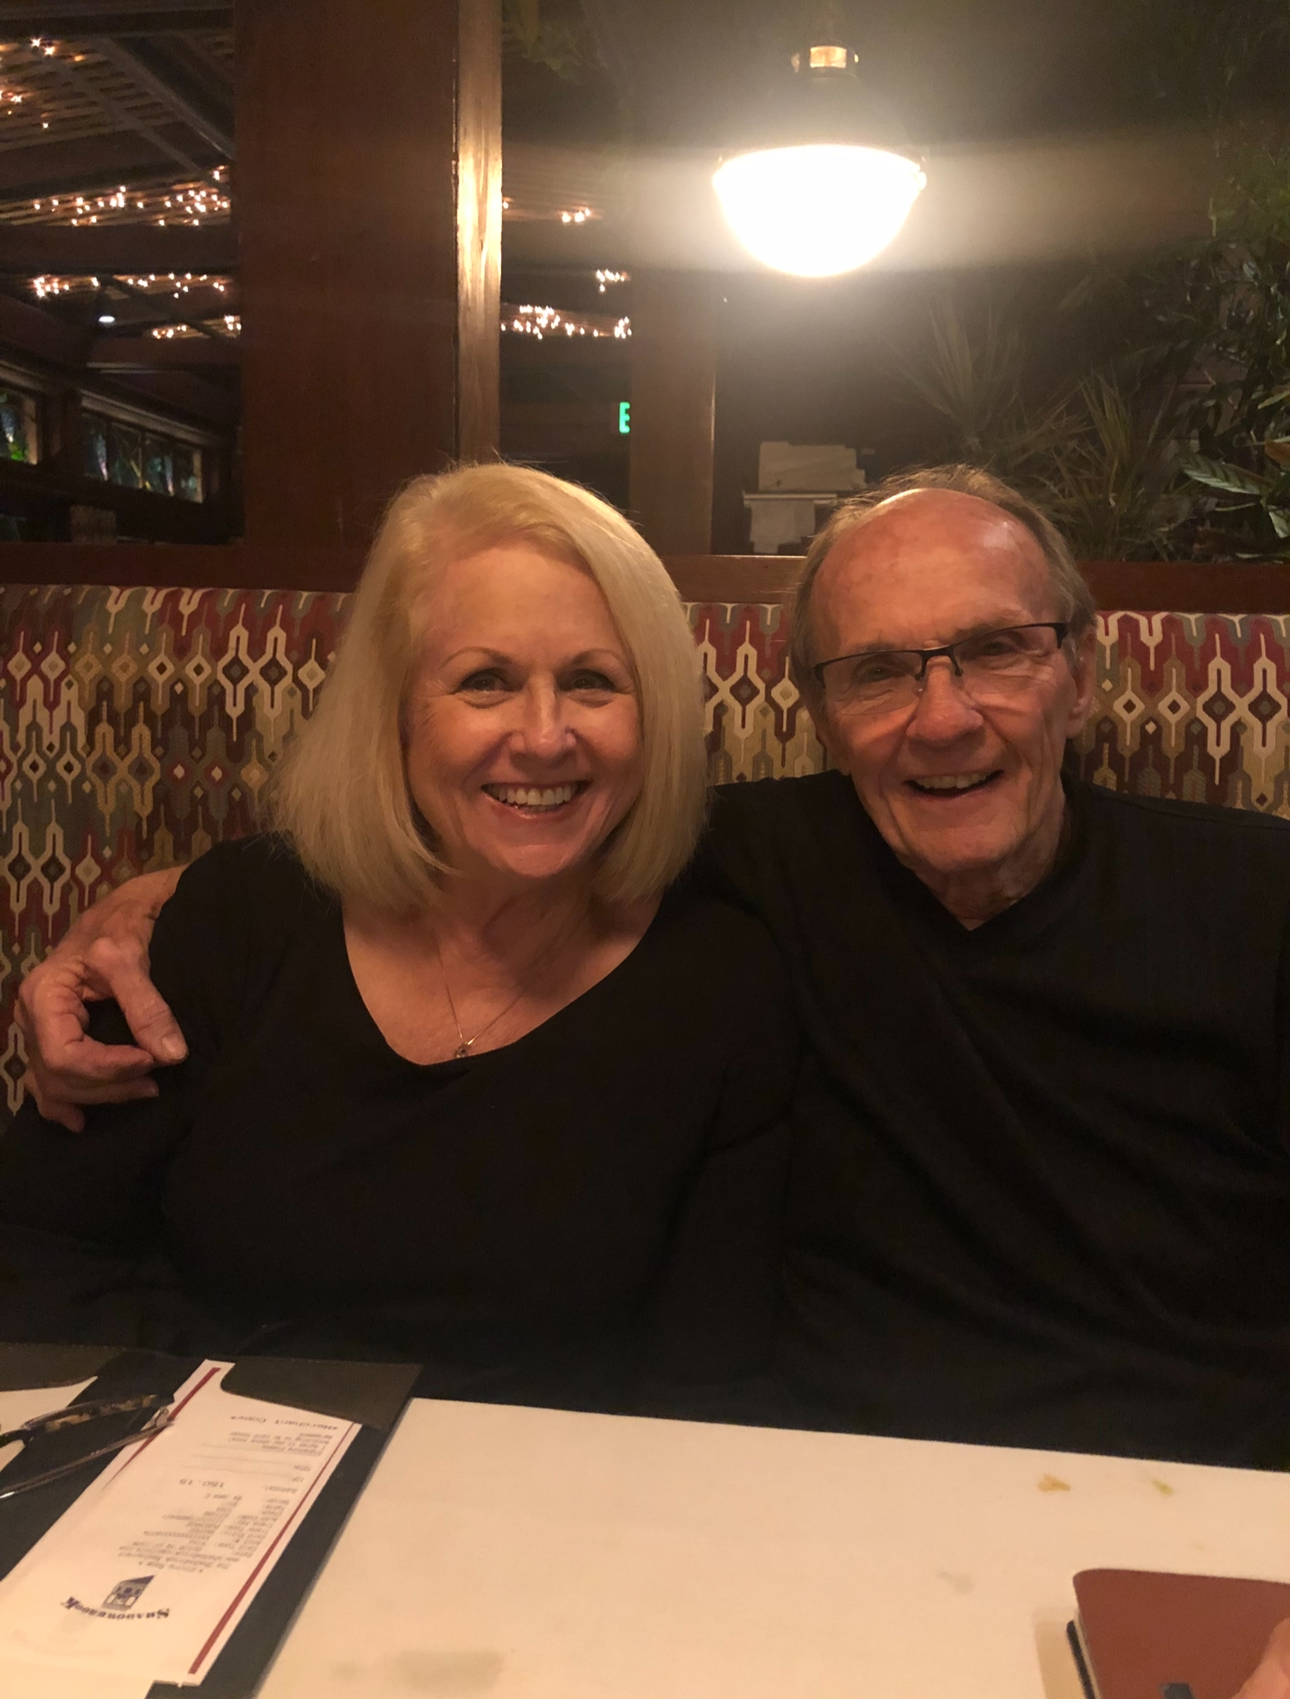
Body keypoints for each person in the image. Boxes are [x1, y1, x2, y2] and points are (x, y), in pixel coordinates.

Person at [18, 464, 1290, 1469]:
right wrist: (126, 918)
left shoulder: (1255, 899)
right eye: (881, 671)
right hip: (843, 1488)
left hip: (1209, 1494)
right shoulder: (747, 876)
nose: (944, 714)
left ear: (1085, 667)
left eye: (1000, 649)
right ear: (819, 708)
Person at [0, 462, 796, 1418]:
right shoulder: (236, 919)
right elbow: (46, 1249)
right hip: (183, 1472)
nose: (544, 737)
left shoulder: (722, 986)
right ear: (397, 711)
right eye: (485, 682)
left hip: (534, 1511)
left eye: (592, 681)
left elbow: (706, 1387)